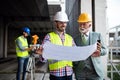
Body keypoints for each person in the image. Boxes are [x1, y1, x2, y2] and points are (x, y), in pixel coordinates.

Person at [36, 11, 75, 80]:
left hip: (69, 73)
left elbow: (76, 53)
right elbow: (43, 60)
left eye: (65, 22)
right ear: (55, 23)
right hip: (56, 74)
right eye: (61, 22)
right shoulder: (49, 37)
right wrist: (42, 54)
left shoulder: (70, 38)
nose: (63, 24)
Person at [73, 13, 107, 80]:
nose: (82, 26)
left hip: (95, 72)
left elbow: (105, 50)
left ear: (90, 25)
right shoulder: (75, 39)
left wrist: (100, 51)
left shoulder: (97, 36)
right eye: (80, 24)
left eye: (84, 24)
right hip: (80, 73)